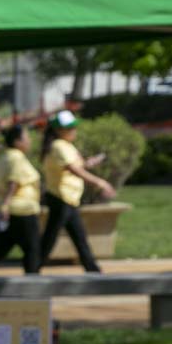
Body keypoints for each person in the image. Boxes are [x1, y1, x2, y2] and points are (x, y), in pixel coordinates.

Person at [40, 110, 116, 272]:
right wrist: (100, 183)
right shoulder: (59, 146)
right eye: (69, 128)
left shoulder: (66, 146)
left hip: (69, 199)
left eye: (74, 127)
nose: (73, 131)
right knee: (50, 238)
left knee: (78, 237)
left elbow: (77, 166)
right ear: (58, 130)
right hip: (61, 198)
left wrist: (89, 163)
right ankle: (33, 267)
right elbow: (74, 169)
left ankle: (92, 269)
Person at [0, 124, 43, 274]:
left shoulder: (5, 156)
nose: (29, 141)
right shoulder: (17, 158)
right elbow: (13, 182)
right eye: (26, 138)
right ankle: (32, 281)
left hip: (1, 208)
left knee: (2, 248)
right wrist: (6, 206)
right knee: (32, 248)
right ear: (17, 141)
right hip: (20, 210)